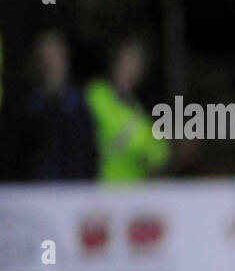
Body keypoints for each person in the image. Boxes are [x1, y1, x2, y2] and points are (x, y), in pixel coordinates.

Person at [0, 29, 97, 182]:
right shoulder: (21, 107)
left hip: (75, 195)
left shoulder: (81, 104)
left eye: (54, 57)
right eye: (44, 58)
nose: (49, 64)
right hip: (32, 196)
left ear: (65, 58)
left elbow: (89, 156)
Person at [84, 34, 167, 182]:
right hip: (102, 187)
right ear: (114, 61)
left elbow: (159, 154)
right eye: (126, 61)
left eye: (135, 64)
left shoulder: (138, 108)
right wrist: (141, 144)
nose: (129, 69)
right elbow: (111, 129)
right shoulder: (96, 93)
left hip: (133, 192)